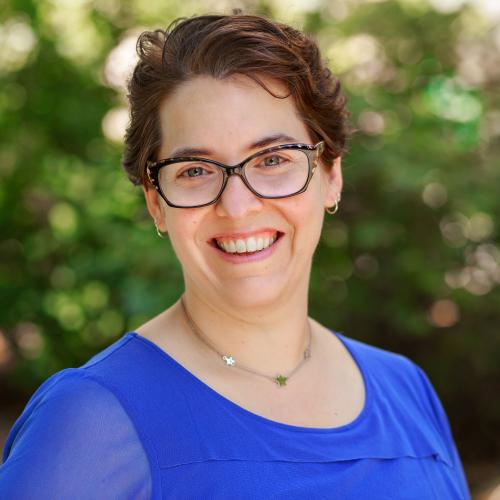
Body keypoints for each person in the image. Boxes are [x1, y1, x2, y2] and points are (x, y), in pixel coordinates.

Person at [0, 12, 470, 500]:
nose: (238, 206)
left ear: (330, 174)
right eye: (195, 170)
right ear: (156, 203)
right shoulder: (90, 421)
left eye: (272, 160)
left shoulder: (405, 390)